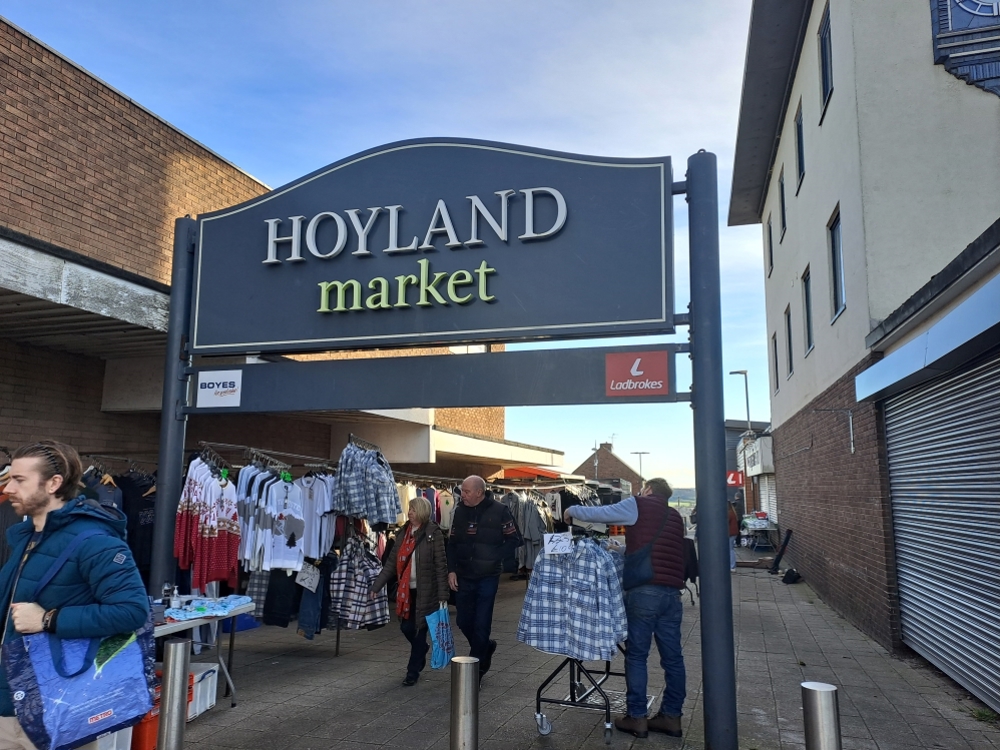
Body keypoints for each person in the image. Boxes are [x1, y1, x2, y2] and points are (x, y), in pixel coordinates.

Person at [0, 440, 150, 750]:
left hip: (55, 703)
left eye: (19, 480)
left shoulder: (95, 541)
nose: (9, 488)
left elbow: (132, 610)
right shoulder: (28, 537)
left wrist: (47, 619)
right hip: (9, 701)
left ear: (53, 483)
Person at [564, 477, 685, 739]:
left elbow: (602, 514)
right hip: (672, 594)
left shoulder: (638, 504)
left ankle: (637, 717)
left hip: (644, 591)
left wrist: (572, 510)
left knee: (637, 656)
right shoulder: (675, 515)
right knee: (673, 659)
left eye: (642, 489)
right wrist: (618, 549)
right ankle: (672, 717)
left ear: (649, 489)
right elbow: (651, 548)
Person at [447, 475, 522, 683]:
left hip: (488, 577)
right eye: (462, 491)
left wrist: (494, 556)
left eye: (467, 491)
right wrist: (451, 570)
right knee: (462, 620)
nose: (462, 495)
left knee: (481, 623)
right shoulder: (460, 512)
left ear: (479, 492)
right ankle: (485, 647)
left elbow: (515, 539)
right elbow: (452, 543)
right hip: (464, 575)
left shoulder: (500, 511)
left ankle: (477, 671)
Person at [371, 495, 449, 686]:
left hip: (426, 593)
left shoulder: (433, 533)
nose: (410, 513)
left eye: (413, 509)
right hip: (407, 592)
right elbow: (391, 564)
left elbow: (441, 566)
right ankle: (421, 649)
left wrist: (443, 596)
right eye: (410, 509)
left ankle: (412, 672)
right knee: (406, 627)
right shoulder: (403, 532)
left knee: (418, 630)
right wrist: (376, 586)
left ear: (421, 511)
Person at [728, 501, 740, 572]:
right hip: (734, 533)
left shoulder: (729, 514)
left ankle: (732, 566)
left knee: (730, 549)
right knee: (731, 549)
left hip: (730, 533)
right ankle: (731, 565)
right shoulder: (733, 512)